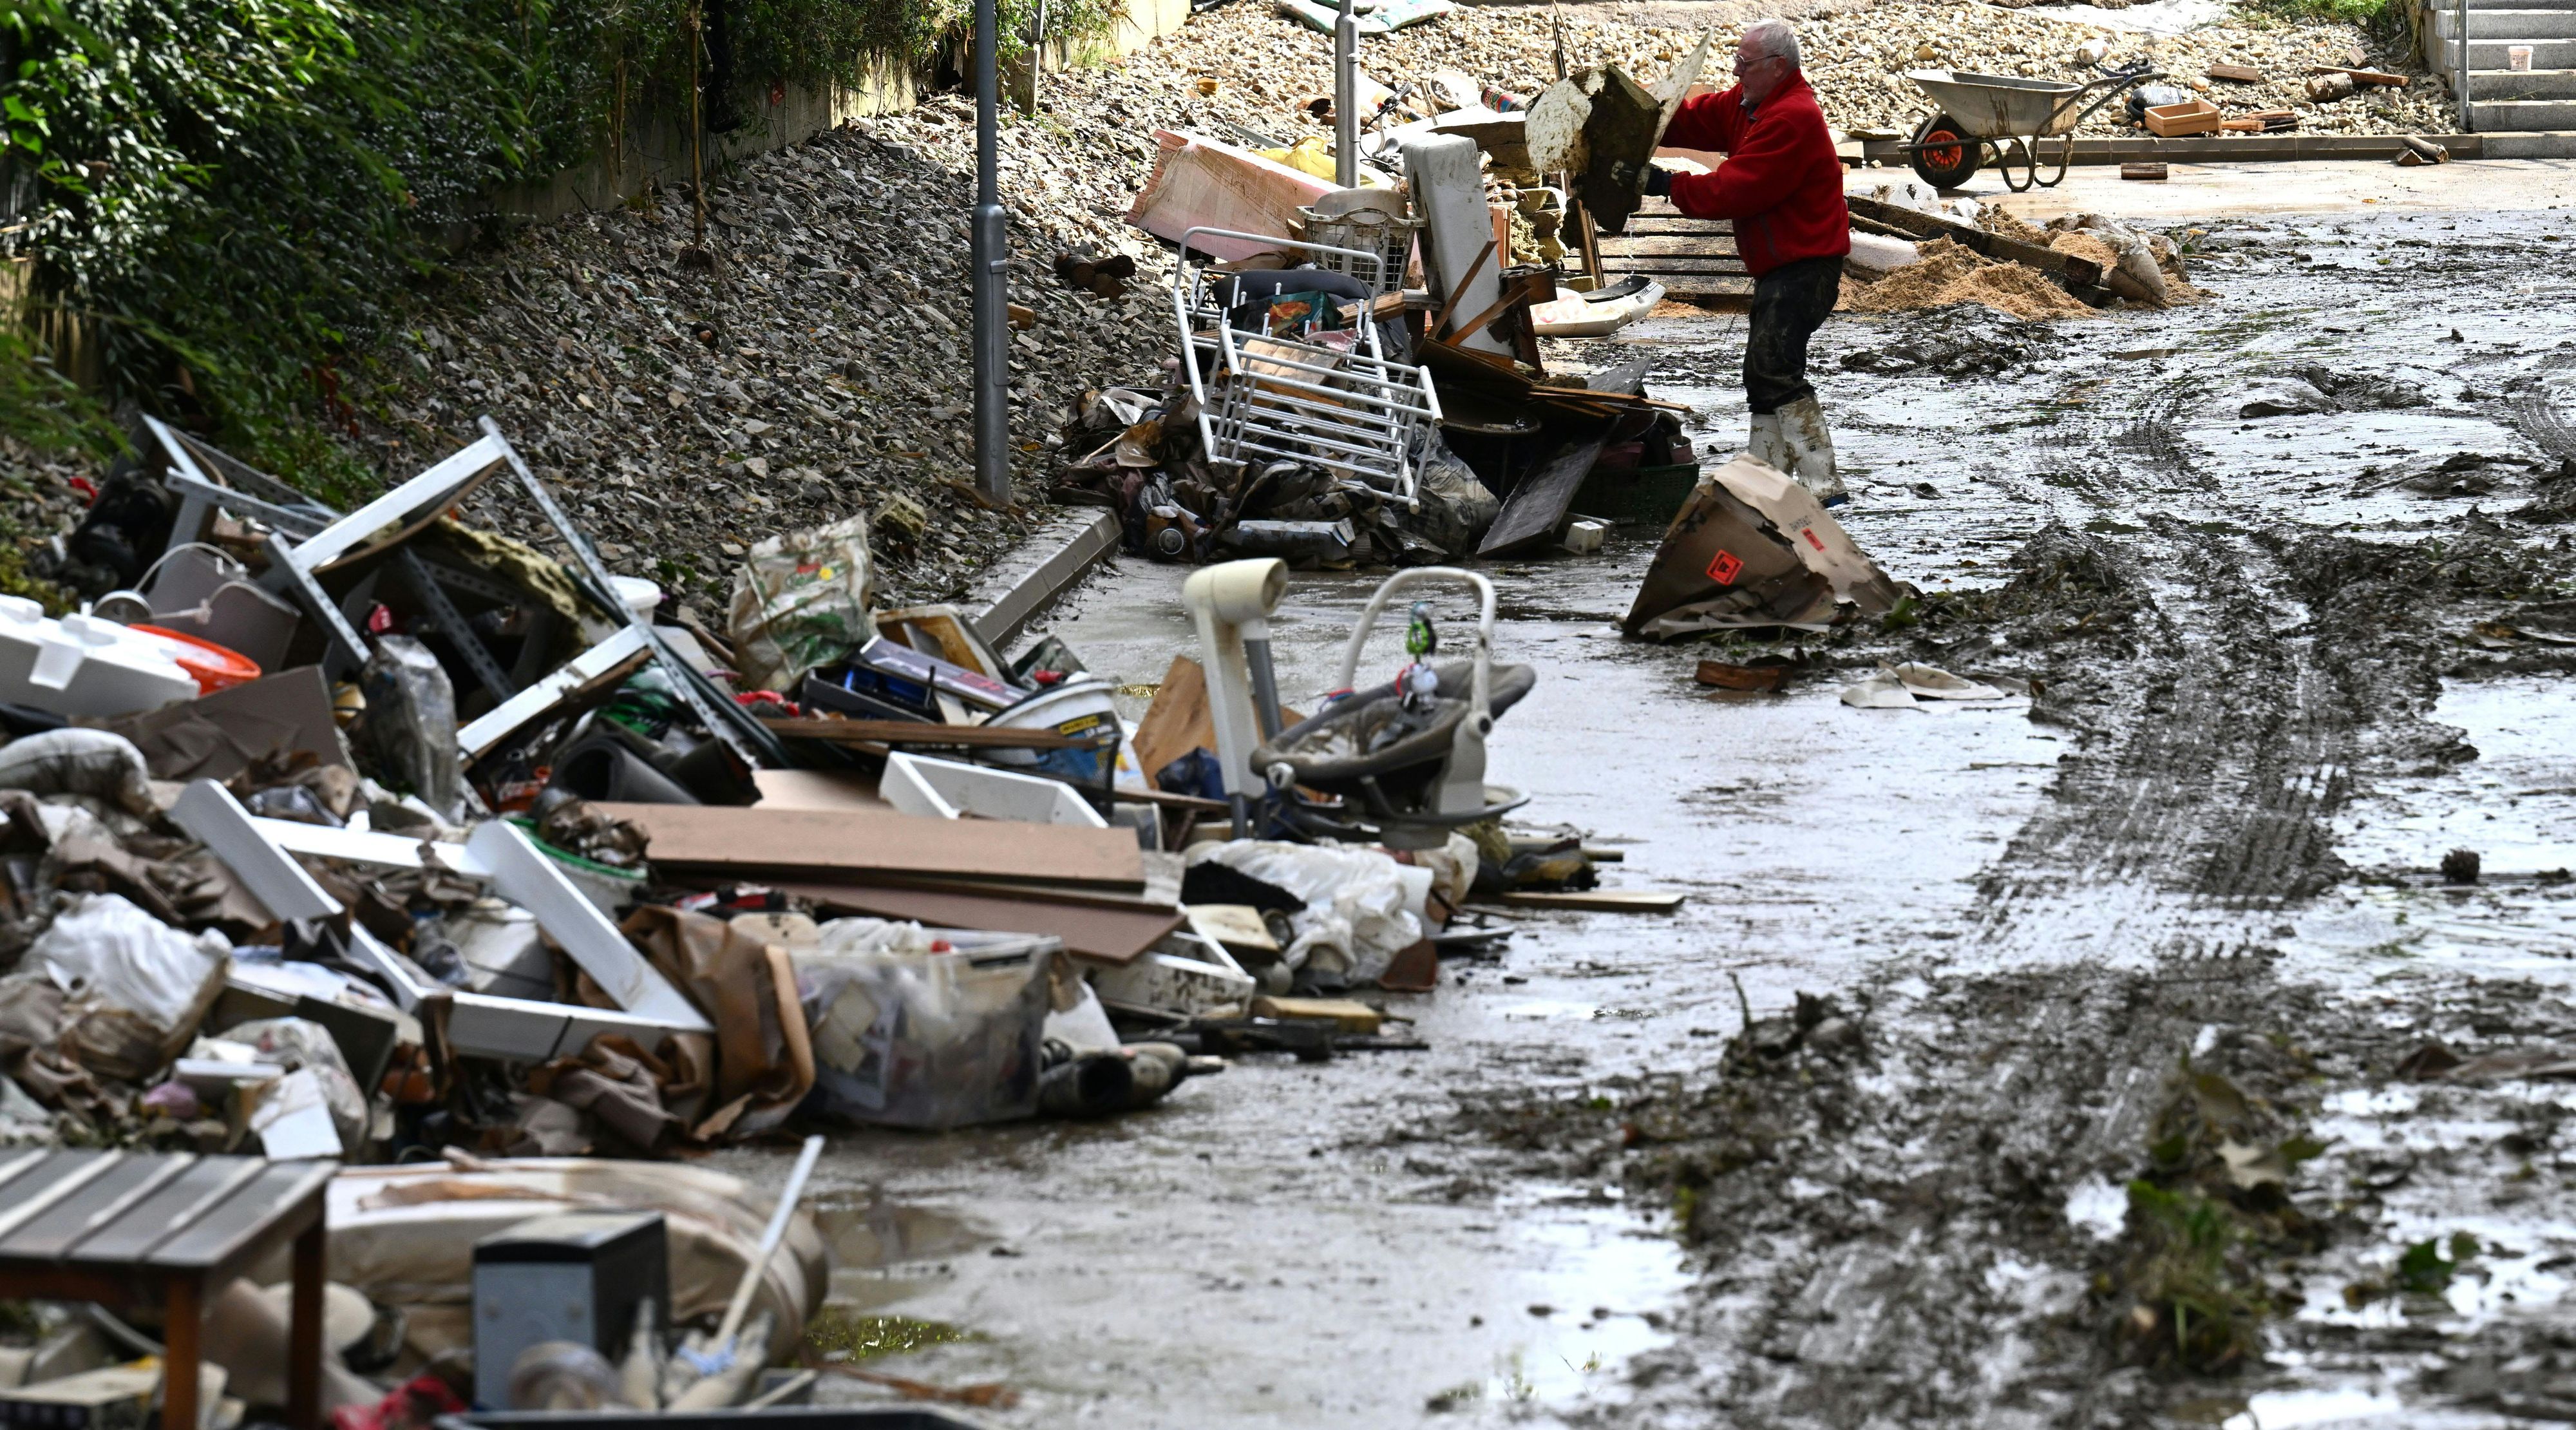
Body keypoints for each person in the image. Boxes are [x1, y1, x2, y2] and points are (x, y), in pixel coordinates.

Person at [1630, 19, 1852, 504]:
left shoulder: (1791, 117)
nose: (1736, 71)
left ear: (1777, 68)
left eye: (1744, 64)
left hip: (1807, 266)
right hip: (1783, 265)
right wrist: (1642, 113)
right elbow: (1693, 119)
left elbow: (1737, 189)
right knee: (1763, 371)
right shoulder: (1751, 103)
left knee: (1774, 368)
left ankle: (1822, 484)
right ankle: (1767, 478)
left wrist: (1666, 185)